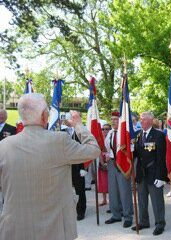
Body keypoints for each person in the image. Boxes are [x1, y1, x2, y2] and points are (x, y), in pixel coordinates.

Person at [0, 93, 100, 240]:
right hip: (54, 231)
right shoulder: (59, 140)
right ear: (43, 116)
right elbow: (94, 149)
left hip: (14, 230)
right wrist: (78, 125)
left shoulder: (3, 146)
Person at [132, 111, 167, 235]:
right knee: (141, 199)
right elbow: (137, 154)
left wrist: (161, 176)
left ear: (151, 121)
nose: (141, 121)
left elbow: (161, 158)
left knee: (157, 200)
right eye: (141, 119)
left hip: (154, 172)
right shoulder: (138, 135)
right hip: (141, 173)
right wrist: (131, 150)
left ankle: (160, 224)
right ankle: (143, 221)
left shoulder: (158, 135)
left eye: (144, 119)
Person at [104, 111, 133, 228]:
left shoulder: (124, 133)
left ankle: (128, 216)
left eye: (116, 119)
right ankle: (116, 214)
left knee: (124, 190)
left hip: (122, 163)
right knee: (113, 190)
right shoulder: (110, 133)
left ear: (120, 121)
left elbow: (130, 149)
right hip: (112, 163)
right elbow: (107, 147)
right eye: (112, 120)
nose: (113, 122)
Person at [61, 123, 88, 221]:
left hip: (78, 166)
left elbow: (86, 149)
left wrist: (85, 168)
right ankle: (67, 210)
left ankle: (81, 211)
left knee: (80, 189)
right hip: (64, 166)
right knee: (64, 190)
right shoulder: (61, 132)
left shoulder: (80, 132)